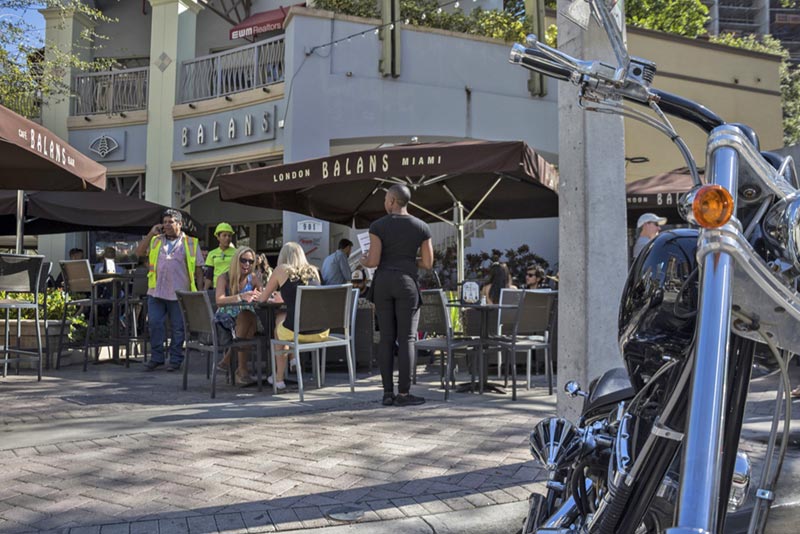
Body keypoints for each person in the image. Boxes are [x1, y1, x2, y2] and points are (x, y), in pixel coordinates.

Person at [361, 184, 433, 407]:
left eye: (385, 199)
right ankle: (404, 393)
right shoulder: (422, 227)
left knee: (386, 338)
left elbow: (373, 261)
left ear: (392, 201)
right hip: (407, 283)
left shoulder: (378, 226)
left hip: (383, 283)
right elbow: (428, 263)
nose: (384, 203)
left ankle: (387, 393)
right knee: (407, 339)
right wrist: (409, 261)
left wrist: (364, 260)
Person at [135, 209, 204, 372]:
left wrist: (199, 291)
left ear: (180, 224)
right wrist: (151, 233)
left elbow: (199, 270)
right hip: (156, 291)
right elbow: (138, 253)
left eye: (170, 222)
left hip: (179, 293)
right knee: (154, 323)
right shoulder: (156, 240)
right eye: (164, 222)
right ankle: (157, 357)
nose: (166, 225)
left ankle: (175, 359)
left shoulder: (191, 243)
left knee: (178, 328)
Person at [258, 242, 327, 393]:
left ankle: (279, 378)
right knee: (282, 317)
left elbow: (262, 299)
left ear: (283, 256)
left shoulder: (281, 270)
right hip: (321, 332)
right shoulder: (314, 271)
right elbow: (306, 299)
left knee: (278, 330)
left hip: (298, 331)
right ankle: (292, 358)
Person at [215, 247, 262, 386]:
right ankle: (242, 370)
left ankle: (231, 358)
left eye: (250, 261)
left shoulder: (253, 278)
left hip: (245, 317)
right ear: (236, 260)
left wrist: (258, 295)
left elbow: (263, 294)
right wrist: (241, 297)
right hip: (226, 319)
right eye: (243, 260)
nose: (247, 264)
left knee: (248, 317)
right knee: (248, 319)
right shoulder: (224, 277)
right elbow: (219, 301)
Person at [204, 222, 236, 290]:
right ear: (218, 237)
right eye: (224, 235)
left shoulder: (237, 253)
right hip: (217, 287)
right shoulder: (212, 254)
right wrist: (205, 290)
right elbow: (209, 275)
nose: (227, 238)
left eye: (229, 236)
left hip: (232, 287)